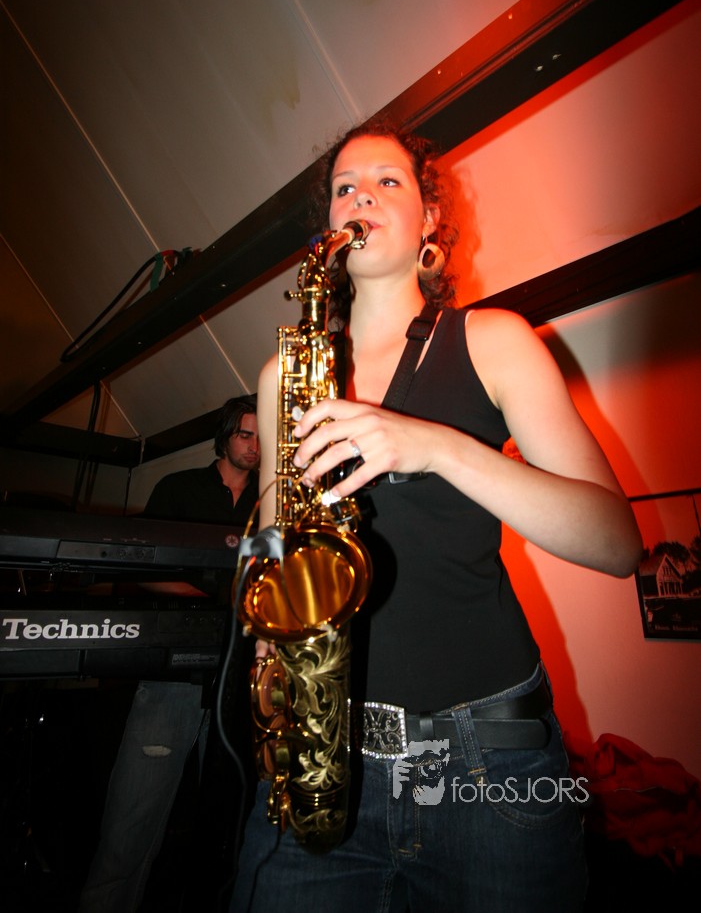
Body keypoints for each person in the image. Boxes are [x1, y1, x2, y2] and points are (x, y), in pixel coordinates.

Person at [230, 122, 642, 913]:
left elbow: (616, 542)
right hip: (323, 756)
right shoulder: (286, 373)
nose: (361, 197)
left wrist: (438, 447)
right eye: (345, 187)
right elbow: (274, 550)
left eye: (387, 181)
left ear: (428, 219)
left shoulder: (493, 339)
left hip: (489, 766)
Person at [80, 396, 259, 913]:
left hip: (242, 676)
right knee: (132, 820)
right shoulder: (179, 488)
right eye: (245, 434)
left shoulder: (268, 500)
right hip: (175, 673)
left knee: (231, 825)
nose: (254, 446)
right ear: (224, 436)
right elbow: (143, 568)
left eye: (261, 437)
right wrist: (216, 600)